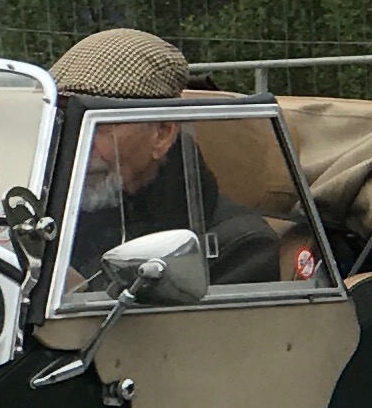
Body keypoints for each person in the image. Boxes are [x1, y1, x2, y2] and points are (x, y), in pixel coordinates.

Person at [49, 27, 279, 287]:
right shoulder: (49, 214)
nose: (74, 142)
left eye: (98, 125)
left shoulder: (242, 247)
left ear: (162, 134)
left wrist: (78, 292)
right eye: (63, 122)